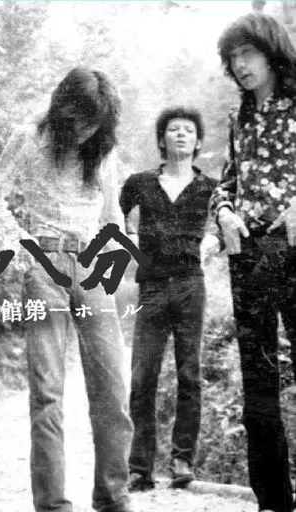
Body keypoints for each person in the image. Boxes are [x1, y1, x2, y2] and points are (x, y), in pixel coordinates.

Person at [0, 67, 135, 512]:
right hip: (44, 263)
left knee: (112, 387)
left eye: (96, 123)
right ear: (64, 110)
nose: (86, 131)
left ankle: (114, 498)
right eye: (81, 120)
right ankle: (52, 504)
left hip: (93, 265)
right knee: (47, 391)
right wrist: (19, 244)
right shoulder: (30, 138)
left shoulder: (104, 148)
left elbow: (111, 216)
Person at [210, 12, 296, 512]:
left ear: (271, 51)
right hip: (249, 256)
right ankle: (273, 501)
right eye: (232, 58)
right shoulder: (239, 117)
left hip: (294, 251)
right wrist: (223, 211)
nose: (240, 65)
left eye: (248, 53)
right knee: (258, 384)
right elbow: (226, 181)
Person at [120, 106, 218, 492]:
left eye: (188, 130)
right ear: (162, 138)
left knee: (189, 374)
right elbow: (113, 216)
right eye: (173, 129)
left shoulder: (210, 187)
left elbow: (225, 226)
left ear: (198, 141)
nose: (180, 134)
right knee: (143, 375)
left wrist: (211, 244)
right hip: (152, 285)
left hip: (192, 284)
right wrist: (129, 240)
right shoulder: (140, 183)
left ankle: (182, 461)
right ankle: (139, 468)